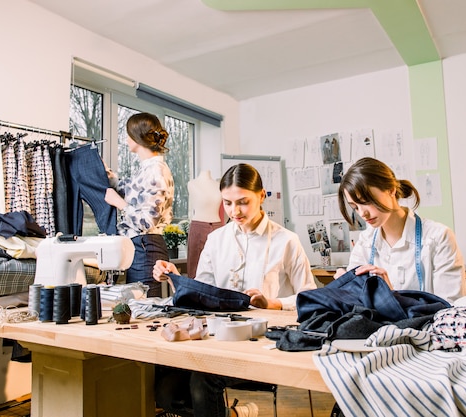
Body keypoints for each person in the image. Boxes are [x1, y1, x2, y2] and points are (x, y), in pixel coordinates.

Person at [152, 163, 316, 417]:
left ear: (262, 196)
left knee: (201, 382)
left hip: (264, 346)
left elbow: (311, 299)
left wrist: (273, 303)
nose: (234, 211)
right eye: (227, 203)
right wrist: (174, 277)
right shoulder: (217, 239)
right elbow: (202, 292)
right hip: (217, 341)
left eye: (243, 202)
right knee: (166, 384)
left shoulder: (287, 241)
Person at [334, 157, 466, 304]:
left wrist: (392, 297)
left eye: (366, 202)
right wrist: (344, 287)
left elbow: (451, 310)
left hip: (426, 326)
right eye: (355, 207)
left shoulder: (438, 238)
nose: (362, 213)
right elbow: (356, 303)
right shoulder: (365, 242)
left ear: (391, 190)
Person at [105, 112, 174, 298]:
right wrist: (109, 177)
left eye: (128, 134)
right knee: (139, 308)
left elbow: (147, 222)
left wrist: (119, 203)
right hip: (141, 248)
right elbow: (131, 191)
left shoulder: (156, 171)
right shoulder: (147, 169)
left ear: (137, 137)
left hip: (145, 247)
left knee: (145, 310)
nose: (126, 139)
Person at [186, 170, 223, 278]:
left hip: (217, 226)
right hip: (198, 228)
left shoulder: (219, 185)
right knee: (195, 268)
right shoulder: (192, 184)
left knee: (219, 266)